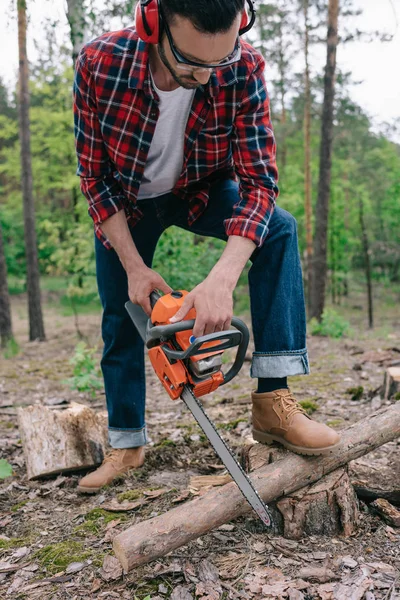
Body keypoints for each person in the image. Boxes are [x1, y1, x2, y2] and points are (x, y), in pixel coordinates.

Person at [73, 0, 340, 494]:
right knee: (120, 317)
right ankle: (127, 442)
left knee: (279, 229)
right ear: (153, 26)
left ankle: (273, 402)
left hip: (201, 189)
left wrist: (223, 277)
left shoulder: (244, 67)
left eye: (221, 59)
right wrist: (133, 265)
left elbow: (259, 183)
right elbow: (93, 177)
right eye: (192, 62)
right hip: (126, 204)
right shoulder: (98, 63)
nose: (207, 74)